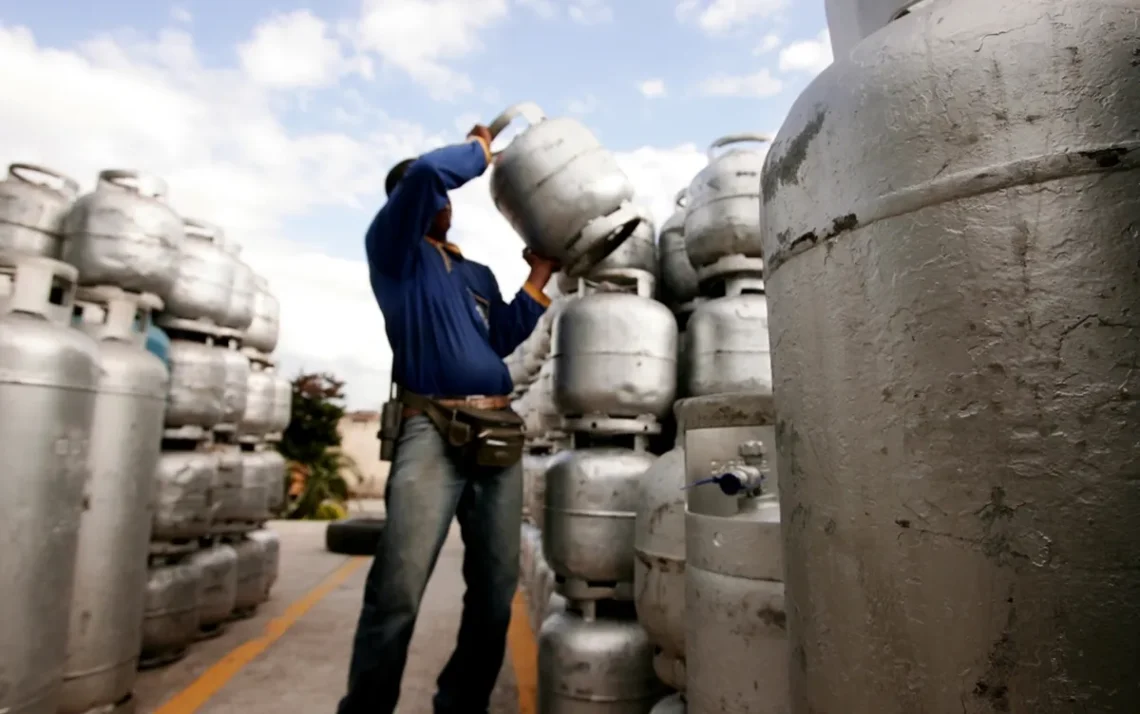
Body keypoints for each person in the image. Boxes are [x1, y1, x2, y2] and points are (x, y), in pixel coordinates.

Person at [338, 125, 559, 714]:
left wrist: (537, 278)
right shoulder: (395, 255)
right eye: (435, 194)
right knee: (398, 590)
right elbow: (427, 173)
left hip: (497, 433)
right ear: (409, 203)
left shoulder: (476, 275)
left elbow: (503, 338)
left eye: (448, 195)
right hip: (430, 430)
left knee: (492, 593)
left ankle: (461, 704)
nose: (445, 201)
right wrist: (482, 147)